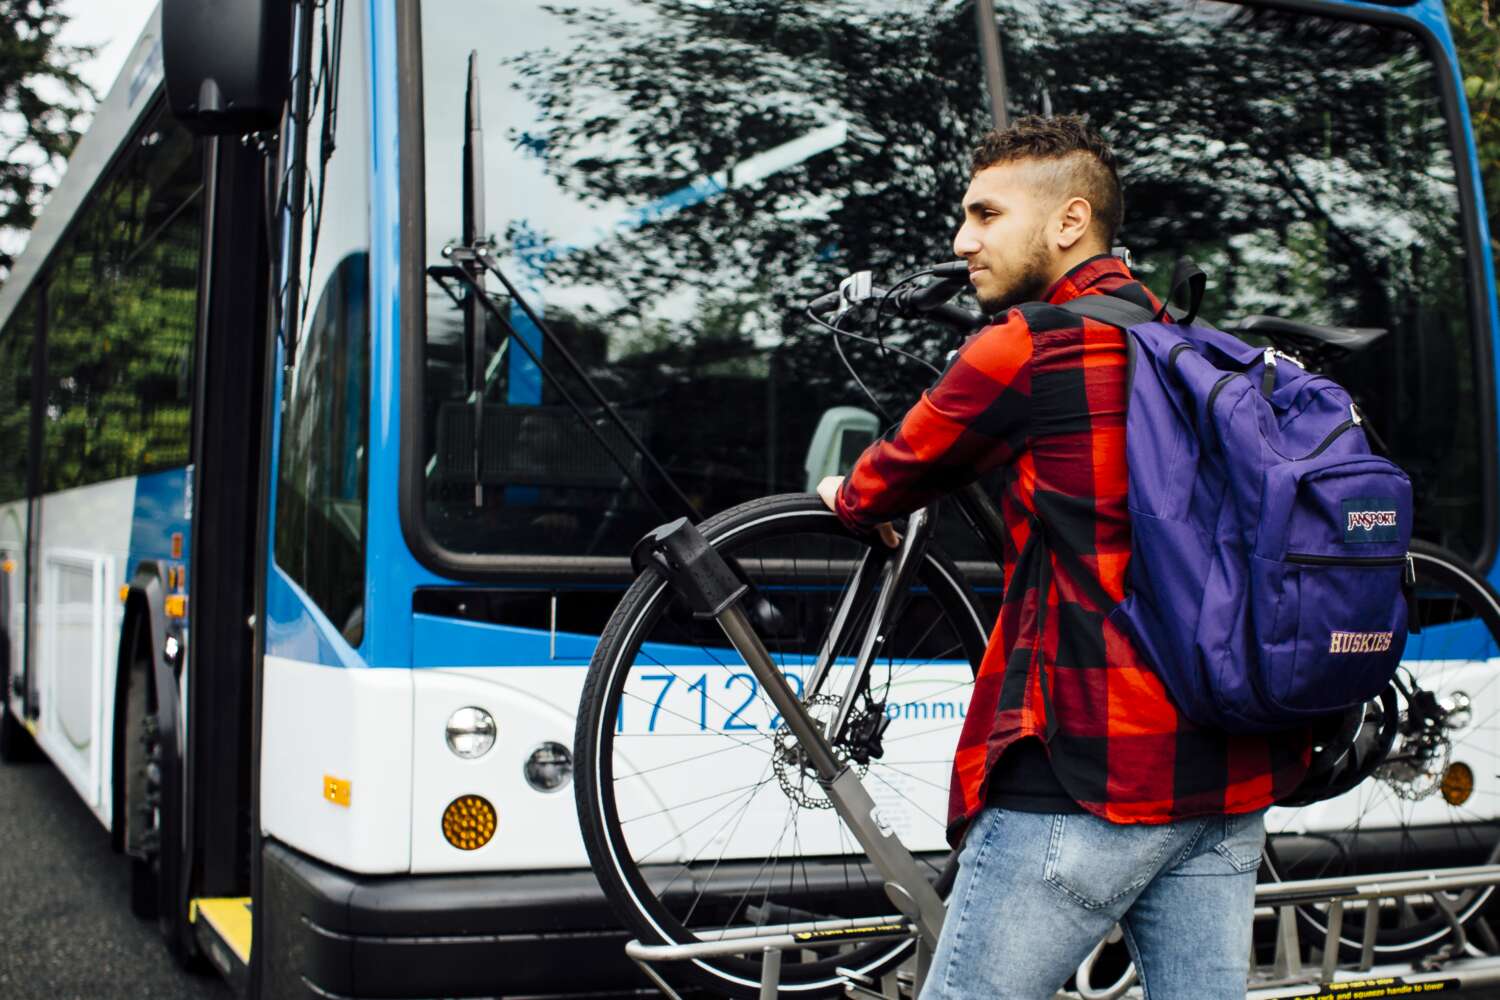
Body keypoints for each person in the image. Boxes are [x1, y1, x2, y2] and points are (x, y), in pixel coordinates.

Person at [817, 114, 1310, 999]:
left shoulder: (1025, 345)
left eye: (985, 215)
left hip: (1084, 778)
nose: (963, 241)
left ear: (1069, 221)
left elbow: (877, 484)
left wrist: (844, 499)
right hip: (1228, 781)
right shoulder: (1192, 346)